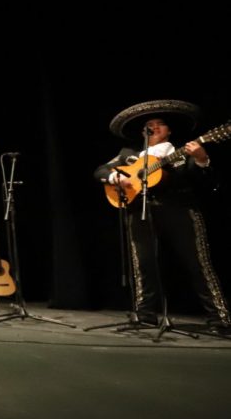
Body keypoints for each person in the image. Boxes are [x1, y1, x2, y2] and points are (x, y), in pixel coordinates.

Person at [93, 100, 228, 331]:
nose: (154, 127)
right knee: (142, 263)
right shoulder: (129, 154)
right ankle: (144, 315)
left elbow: (206, 182)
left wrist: (201, 159)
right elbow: (101, 170)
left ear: (169, 130)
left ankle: (220, 317)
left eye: (160, 124)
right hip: (140, 210)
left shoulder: (181, 153)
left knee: (197, 263)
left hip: (179, 208)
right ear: (143, 132)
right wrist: (117, 178)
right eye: (150, 125)